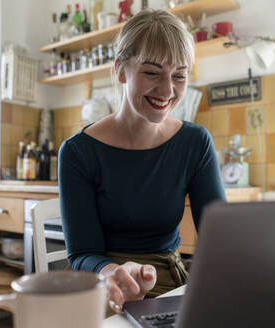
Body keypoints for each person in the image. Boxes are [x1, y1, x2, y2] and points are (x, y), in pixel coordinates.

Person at [58, 9, 226, 314]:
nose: (167, 90)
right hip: (107, 289)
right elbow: (83, 254)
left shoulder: (195, 143)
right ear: (121, 69)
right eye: (151, 72)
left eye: (179, 75)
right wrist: (114, 272)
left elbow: (221, 240)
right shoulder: (78, 153)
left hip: (171, 289)